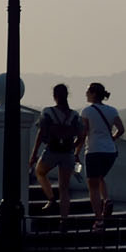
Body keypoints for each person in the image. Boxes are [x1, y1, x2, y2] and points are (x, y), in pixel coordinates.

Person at [28, 85, 81, 226]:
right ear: (67, 95)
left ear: (54, 96)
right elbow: (82, 135)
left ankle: (51, 198)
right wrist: (74, 147)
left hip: (52, 150)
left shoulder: (48, 112)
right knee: (64, 188)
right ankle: (64, 220)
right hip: (68, 153)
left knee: (40, 172)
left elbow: (41, 133)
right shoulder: (74, 115)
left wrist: (34, 153)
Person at [81, 81, 125, 227]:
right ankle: (107, 199)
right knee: (99, 177)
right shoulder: (112, 110)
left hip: (94, 151)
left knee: (92, 186)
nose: (86, 94)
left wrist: (76, 150)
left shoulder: (87, 111)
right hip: (110, 152)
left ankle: (99, 220)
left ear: (93, 94)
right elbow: (121, 129)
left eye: (88, 91)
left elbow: (83, 133)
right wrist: (112, 138)